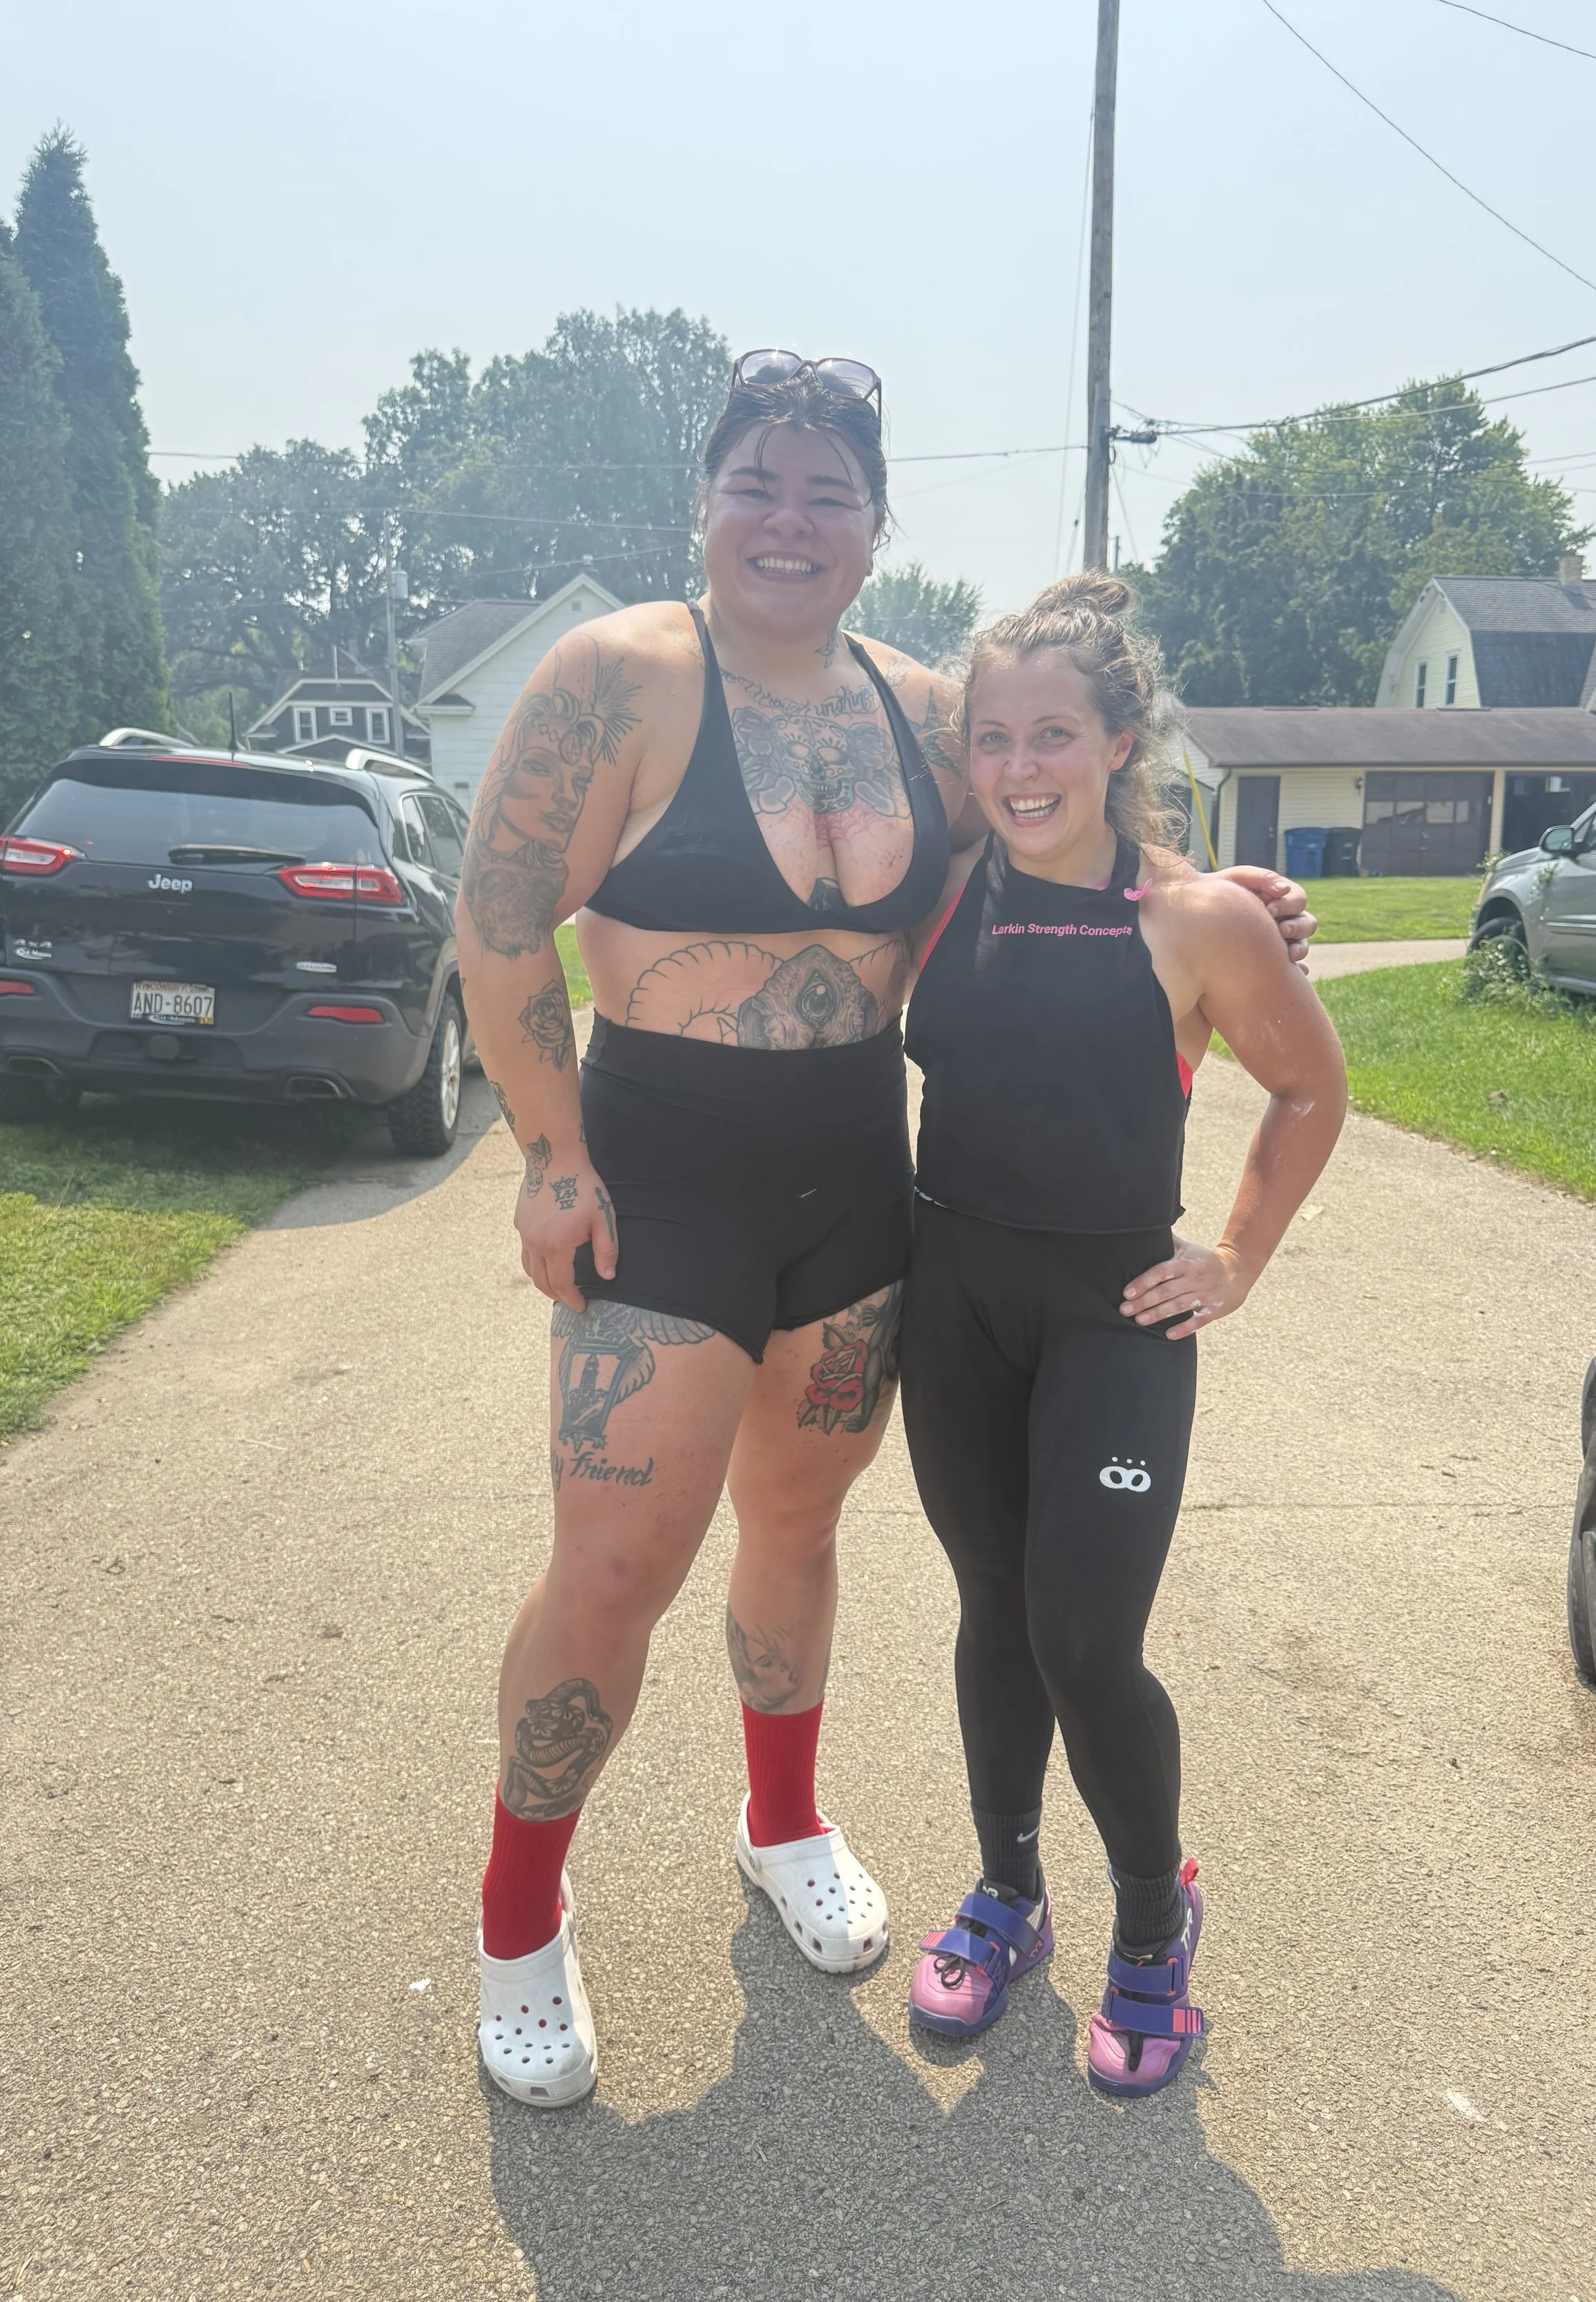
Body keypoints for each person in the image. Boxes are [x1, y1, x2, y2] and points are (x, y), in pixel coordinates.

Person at [453, 354, 1315, 2107]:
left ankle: (783, 1826)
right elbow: (491, 927)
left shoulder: (923, 708)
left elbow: (1053, 811)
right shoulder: (615, 678)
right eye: (756, 483)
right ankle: (519, 1922)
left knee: (796, 1529)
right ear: (704, 501)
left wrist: (1230, 906)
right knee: (617, 1564)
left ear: (870, 525)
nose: (789, 517)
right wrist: (552, 1156)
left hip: (857, 1182)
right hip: (664, 1176)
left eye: (827, 490)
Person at [899, 575, 1347, 2097]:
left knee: (1083, 1636)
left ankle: (1152, 1920)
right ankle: (1008, 1895)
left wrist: (1232, 1253)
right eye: (990, 738)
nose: (1019, 767)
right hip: (948, 1297)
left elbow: (1308, 1088)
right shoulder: (945, 875)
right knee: (988, 1607)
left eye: (1051, 735)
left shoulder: (1195, 918)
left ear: (1116, 739)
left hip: (1112, 1316)